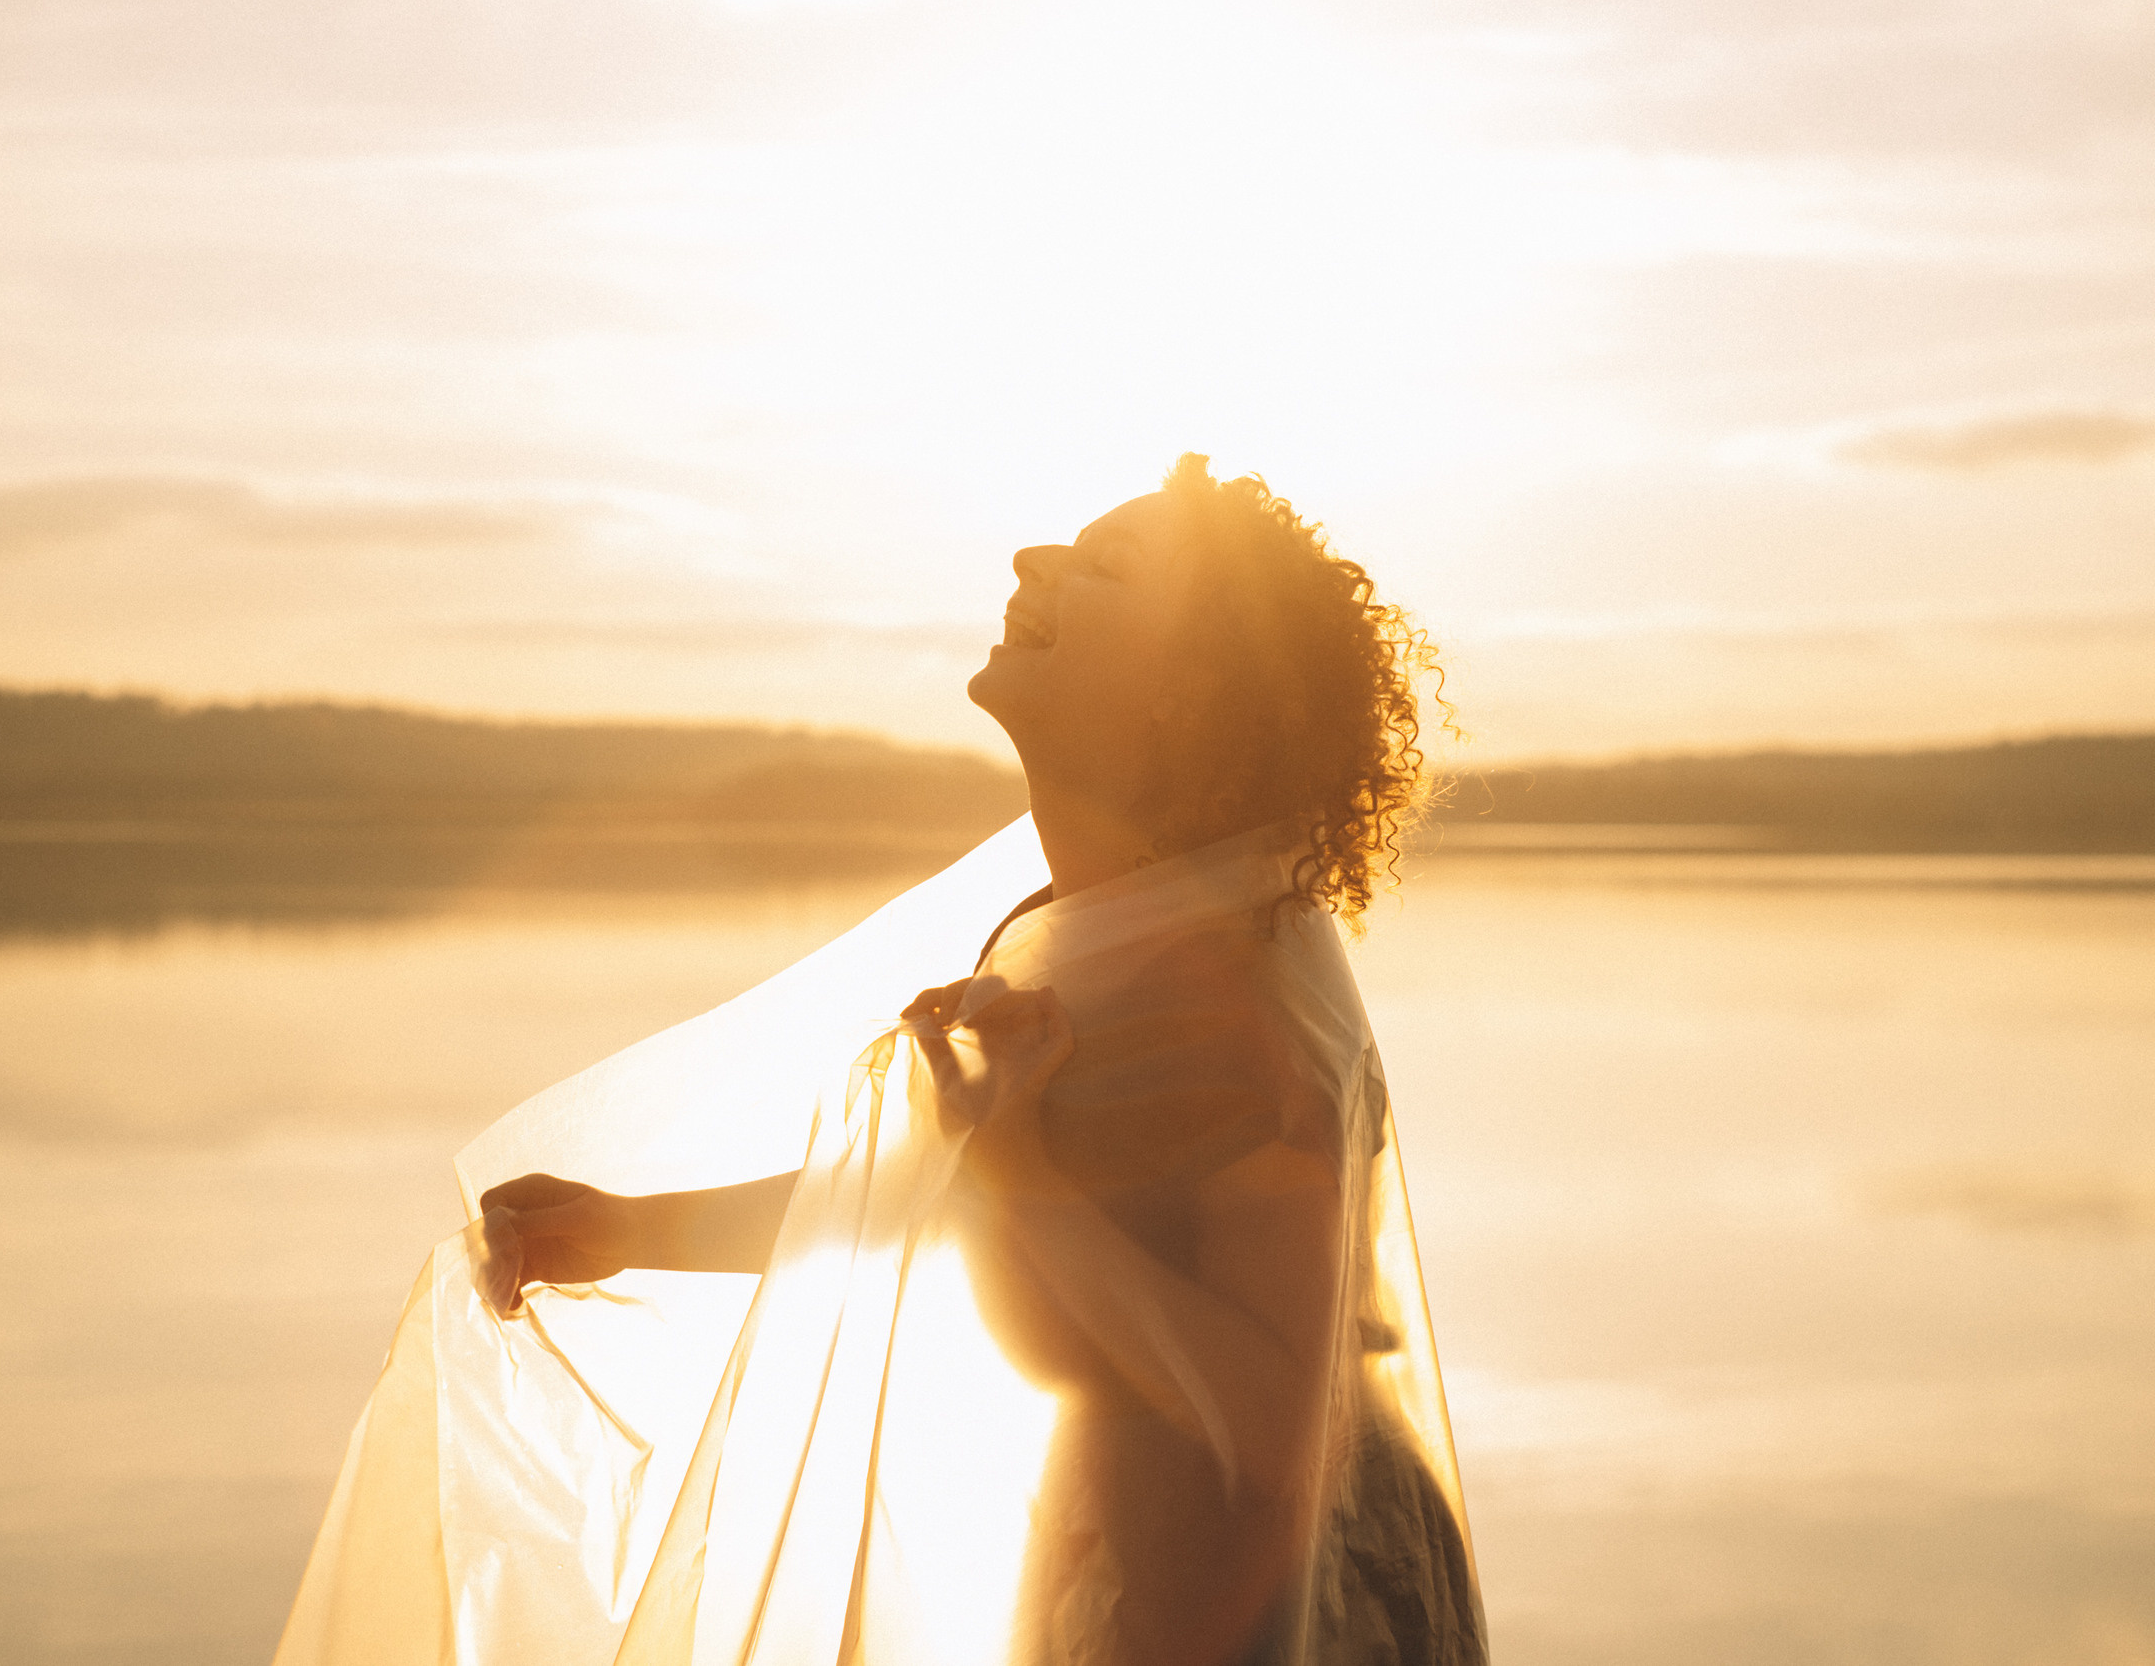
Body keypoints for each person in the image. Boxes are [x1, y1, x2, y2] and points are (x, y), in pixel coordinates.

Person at [275, 455, 1483, 1666]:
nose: (1031, 562)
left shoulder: (1238, 1003)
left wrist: (1016, 1160)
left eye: (1105, 567)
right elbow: (943, 1201)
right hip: (1122, 1577)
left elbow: (1279, 1430)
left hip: (1271, 1621)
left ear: (1193, 689)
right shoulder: (1098, 936)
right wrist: (632, 1230)